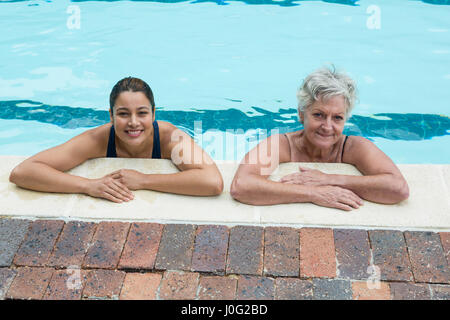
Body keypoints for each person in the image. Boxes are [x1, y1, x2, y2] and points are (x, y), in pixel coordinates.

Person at [9, 77, 223, 202]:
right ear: (110, 116)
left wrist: (144, 180)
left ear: (154, 114)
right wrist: (88, 186)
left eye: (142, 113)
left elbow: (212, 182)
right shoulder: (99, 139)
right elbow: (23, 172)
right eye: (123, 114)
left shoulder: (169, 138)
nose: (133, 122)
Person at [230, 66, 409, 211]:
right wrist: (313, 194)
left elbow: (397, 188)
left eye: (337, 118)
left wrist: (329, 179)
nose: (327, 126)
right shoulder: (282, 144)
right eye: (319, 115)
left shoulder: (355, 147)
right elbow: (242, 185)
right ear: (302, 114)